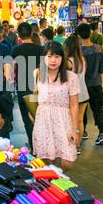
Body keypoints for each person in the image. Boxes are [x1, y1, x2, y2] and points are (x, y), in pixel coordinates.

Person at [33, 41, 79, 170]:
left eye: (57, 57)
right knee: (47, 159)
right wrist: (32, 112)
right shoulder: (37, 73)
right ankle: (53, 183)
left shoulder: (71, 77)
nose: (53, 60)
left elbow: (74, 104)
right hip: (43, 119)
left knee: (67, 161)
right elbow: (34, 94)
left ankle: (59, 176)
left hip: (63, 120)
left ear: (62, 58)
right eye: (49, 56)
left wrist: (75, 129)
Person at [12, 22, 43, 149]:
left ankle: (33, 145)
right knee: (40, 117)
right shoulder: (41, 49)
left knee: (27, 119)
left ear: (18, 35)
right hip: (39, 88)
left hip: (22, 88)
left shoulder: (15, 50)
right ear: (31, 33)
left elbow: (12, 69)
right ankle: (42, 144)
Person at [76, 23, 103, 146]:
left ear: (78, 35)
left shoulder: (79, 50)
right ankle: (101, 133)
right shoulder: (99, 48)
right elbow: (101, 69)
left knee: (82, 110)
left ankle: (84, 132)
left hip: (83, 84)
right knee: (98, 109)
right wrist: (102, 83)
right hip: (97, 83)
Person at [64, 35, 89, 155]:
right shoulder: (82, 60)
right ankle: (78, 146)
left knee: (70, 121)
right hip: (84, 93)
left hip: (71, 95)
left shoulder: (67, 62)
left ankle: (72, 144)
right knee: (80, 120)